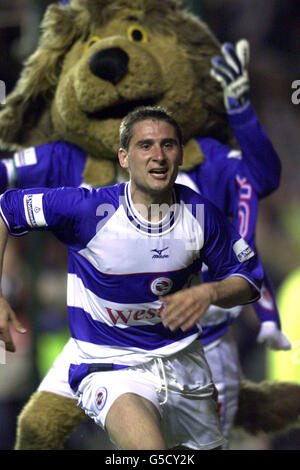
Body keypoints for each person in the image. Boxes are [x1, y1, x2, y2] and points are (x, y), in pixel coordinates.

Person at [0, 106, 263, 450]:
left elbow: (248, 280)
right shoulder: (88, 210)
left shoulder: (200, 215)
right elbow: (6, 208)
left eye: (168, 145)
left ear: (181, 154)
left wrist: (209, 294)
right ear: (124, 158)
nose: (158, 156)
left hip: (186, 369)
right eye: (145, 146)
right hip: (111, 366)